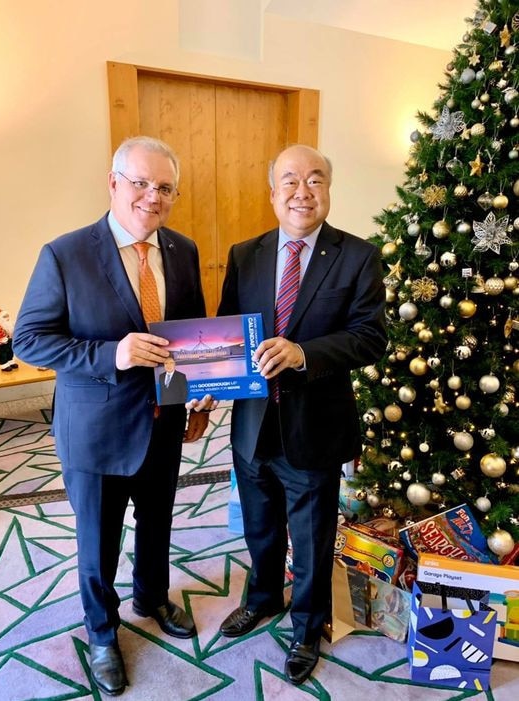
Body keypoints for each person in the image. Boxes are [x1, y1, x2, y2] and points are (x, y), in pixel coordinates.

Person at [13, 136, 217, 696]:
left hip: (164, 419)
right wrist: (112, 354)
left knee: (158, 522)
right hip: (96, 430)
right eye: (141, 183)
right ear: (113, 182)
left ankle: (151, 596)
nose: (152, 197)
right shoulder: (66, 253)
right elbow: (31, 339)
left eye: (165, 188)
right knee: (97, 540)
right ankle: (102, 632)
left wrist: (196, 393)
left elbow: (189, 338)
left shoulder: (183, 250)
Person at [217, 144, 387, 685]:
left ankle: (307, 627)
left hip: (315, 425)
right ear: (273, 193)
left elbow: (370, 338)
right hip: (251, 422)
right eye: (290, 180)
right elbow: (227, 331)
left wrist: (304, 353)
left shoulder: (358, 256)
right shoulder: (245, 253)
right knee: (260, 527)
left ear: (328, 192)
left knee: (311, 536)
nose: (302, 191)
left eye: (315, 180)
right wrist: (206, 381)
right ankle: (263, 598)